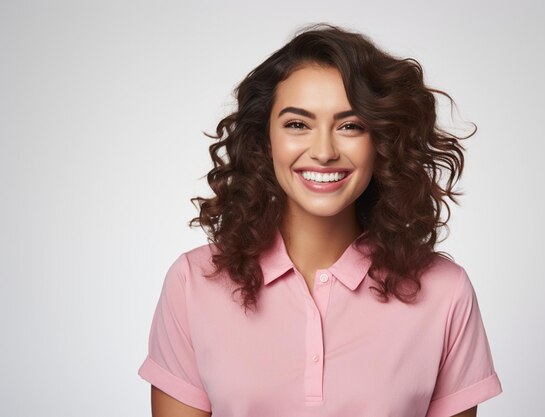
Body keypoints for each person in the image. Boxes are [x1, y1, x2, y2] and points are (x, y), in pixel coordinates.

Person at [138, 23, 502, 417]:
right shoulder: (193, 283)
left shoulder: (445, 293)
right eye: (298, 124)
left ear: (381, 140)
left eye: (350, 126)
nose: (324, 151)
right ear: (265, 139)